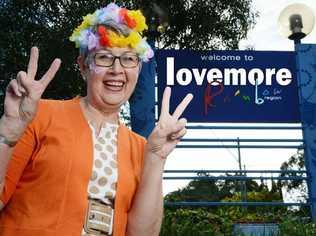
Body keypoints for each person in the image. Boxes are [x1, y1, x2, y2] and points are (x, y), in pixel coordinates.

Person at [0, 3, 193, 236]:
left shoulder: (143, 148)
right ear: (83, 66)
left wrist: (156, 159)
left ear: (138, 68)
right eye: (104, 57)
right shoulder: (39, 117)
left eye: (129, 59)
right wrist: (7, 135)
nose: (117, 69)